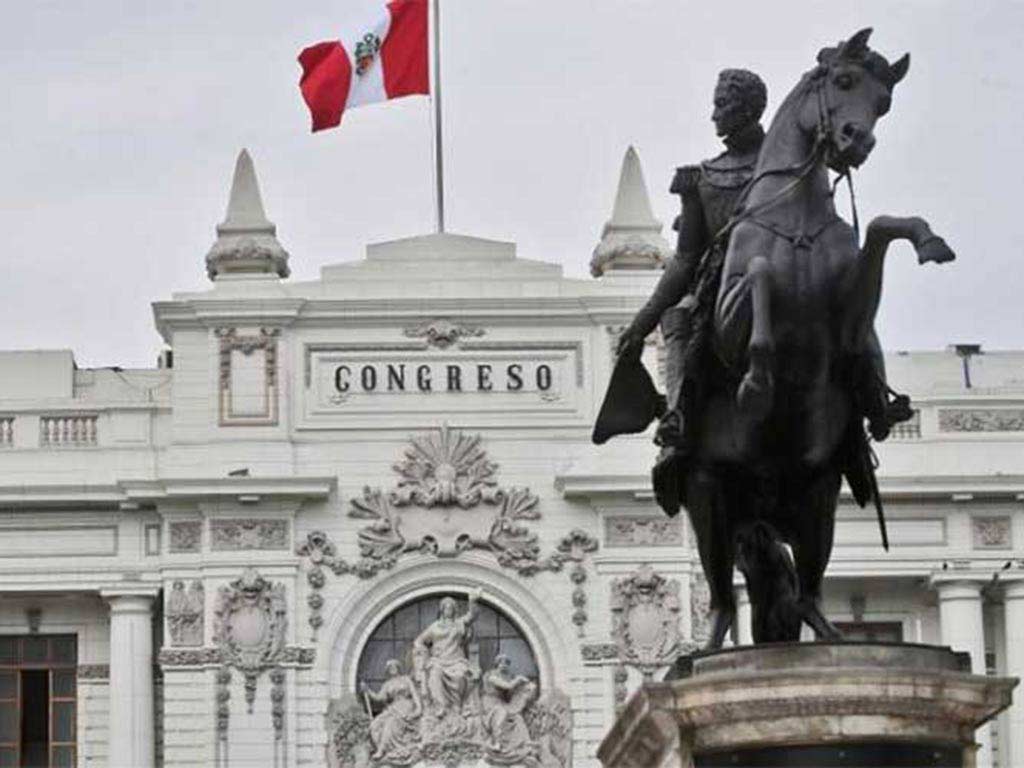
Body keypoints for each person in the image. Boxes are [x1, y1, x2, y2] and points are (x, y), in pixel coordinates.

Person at [616, 69, 768, 455]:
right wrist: (641, 325)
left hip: (787, 271)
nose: (714, 115)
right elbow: (685, 259)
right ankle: (677, 413)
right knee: (680, 317)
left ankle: (874, 396)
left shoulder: (787, 167)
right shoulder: (701, 178)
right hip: (720, 282)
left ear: (747, 109)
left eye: (722, 105)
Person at [412, 590, 482, 719]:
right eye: (446, 608)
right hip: (438, 661)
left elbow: (472, 615)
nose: (448, 610)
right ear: (442, 610)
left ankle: (457, 706)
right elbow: (419, 641)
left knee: (460, 676)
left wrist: (472, 601)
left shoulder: (459, 623)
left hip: (457, 660)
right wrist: (423, 652)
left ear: (454, 610)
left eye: (451, 608)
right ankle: (441, 707)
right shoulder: (434, 627)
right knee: (435, 675)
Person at [361, 659, 422, 762]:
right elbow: (379, 698)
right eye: (390, 668)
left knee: (390, 723)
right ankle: (380, 747)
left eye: (394, 667)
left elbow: (415, 695)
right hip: (393, 708)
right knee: (375, 724)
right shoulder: (387, 684)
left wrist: (418, 709)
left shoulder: (406, 679)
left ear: (398, 668)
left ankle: (381, 751)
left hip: (405, 706)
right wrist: (368, 690)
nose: (392, 669)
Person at [481, 654, 537, 759]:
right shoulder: (491, 676)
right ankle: (497, 742)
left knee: (517, 717)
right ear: (497, 664)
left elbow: (511, 691)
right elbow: (507, 686)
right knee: (501, 713)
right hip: (491, 702)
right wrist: (519, 679)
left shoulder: (507, 677)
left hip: (503, 703)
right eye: (502, 662)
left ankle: (526, 743)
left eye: (506, 663)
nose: (504, 665)